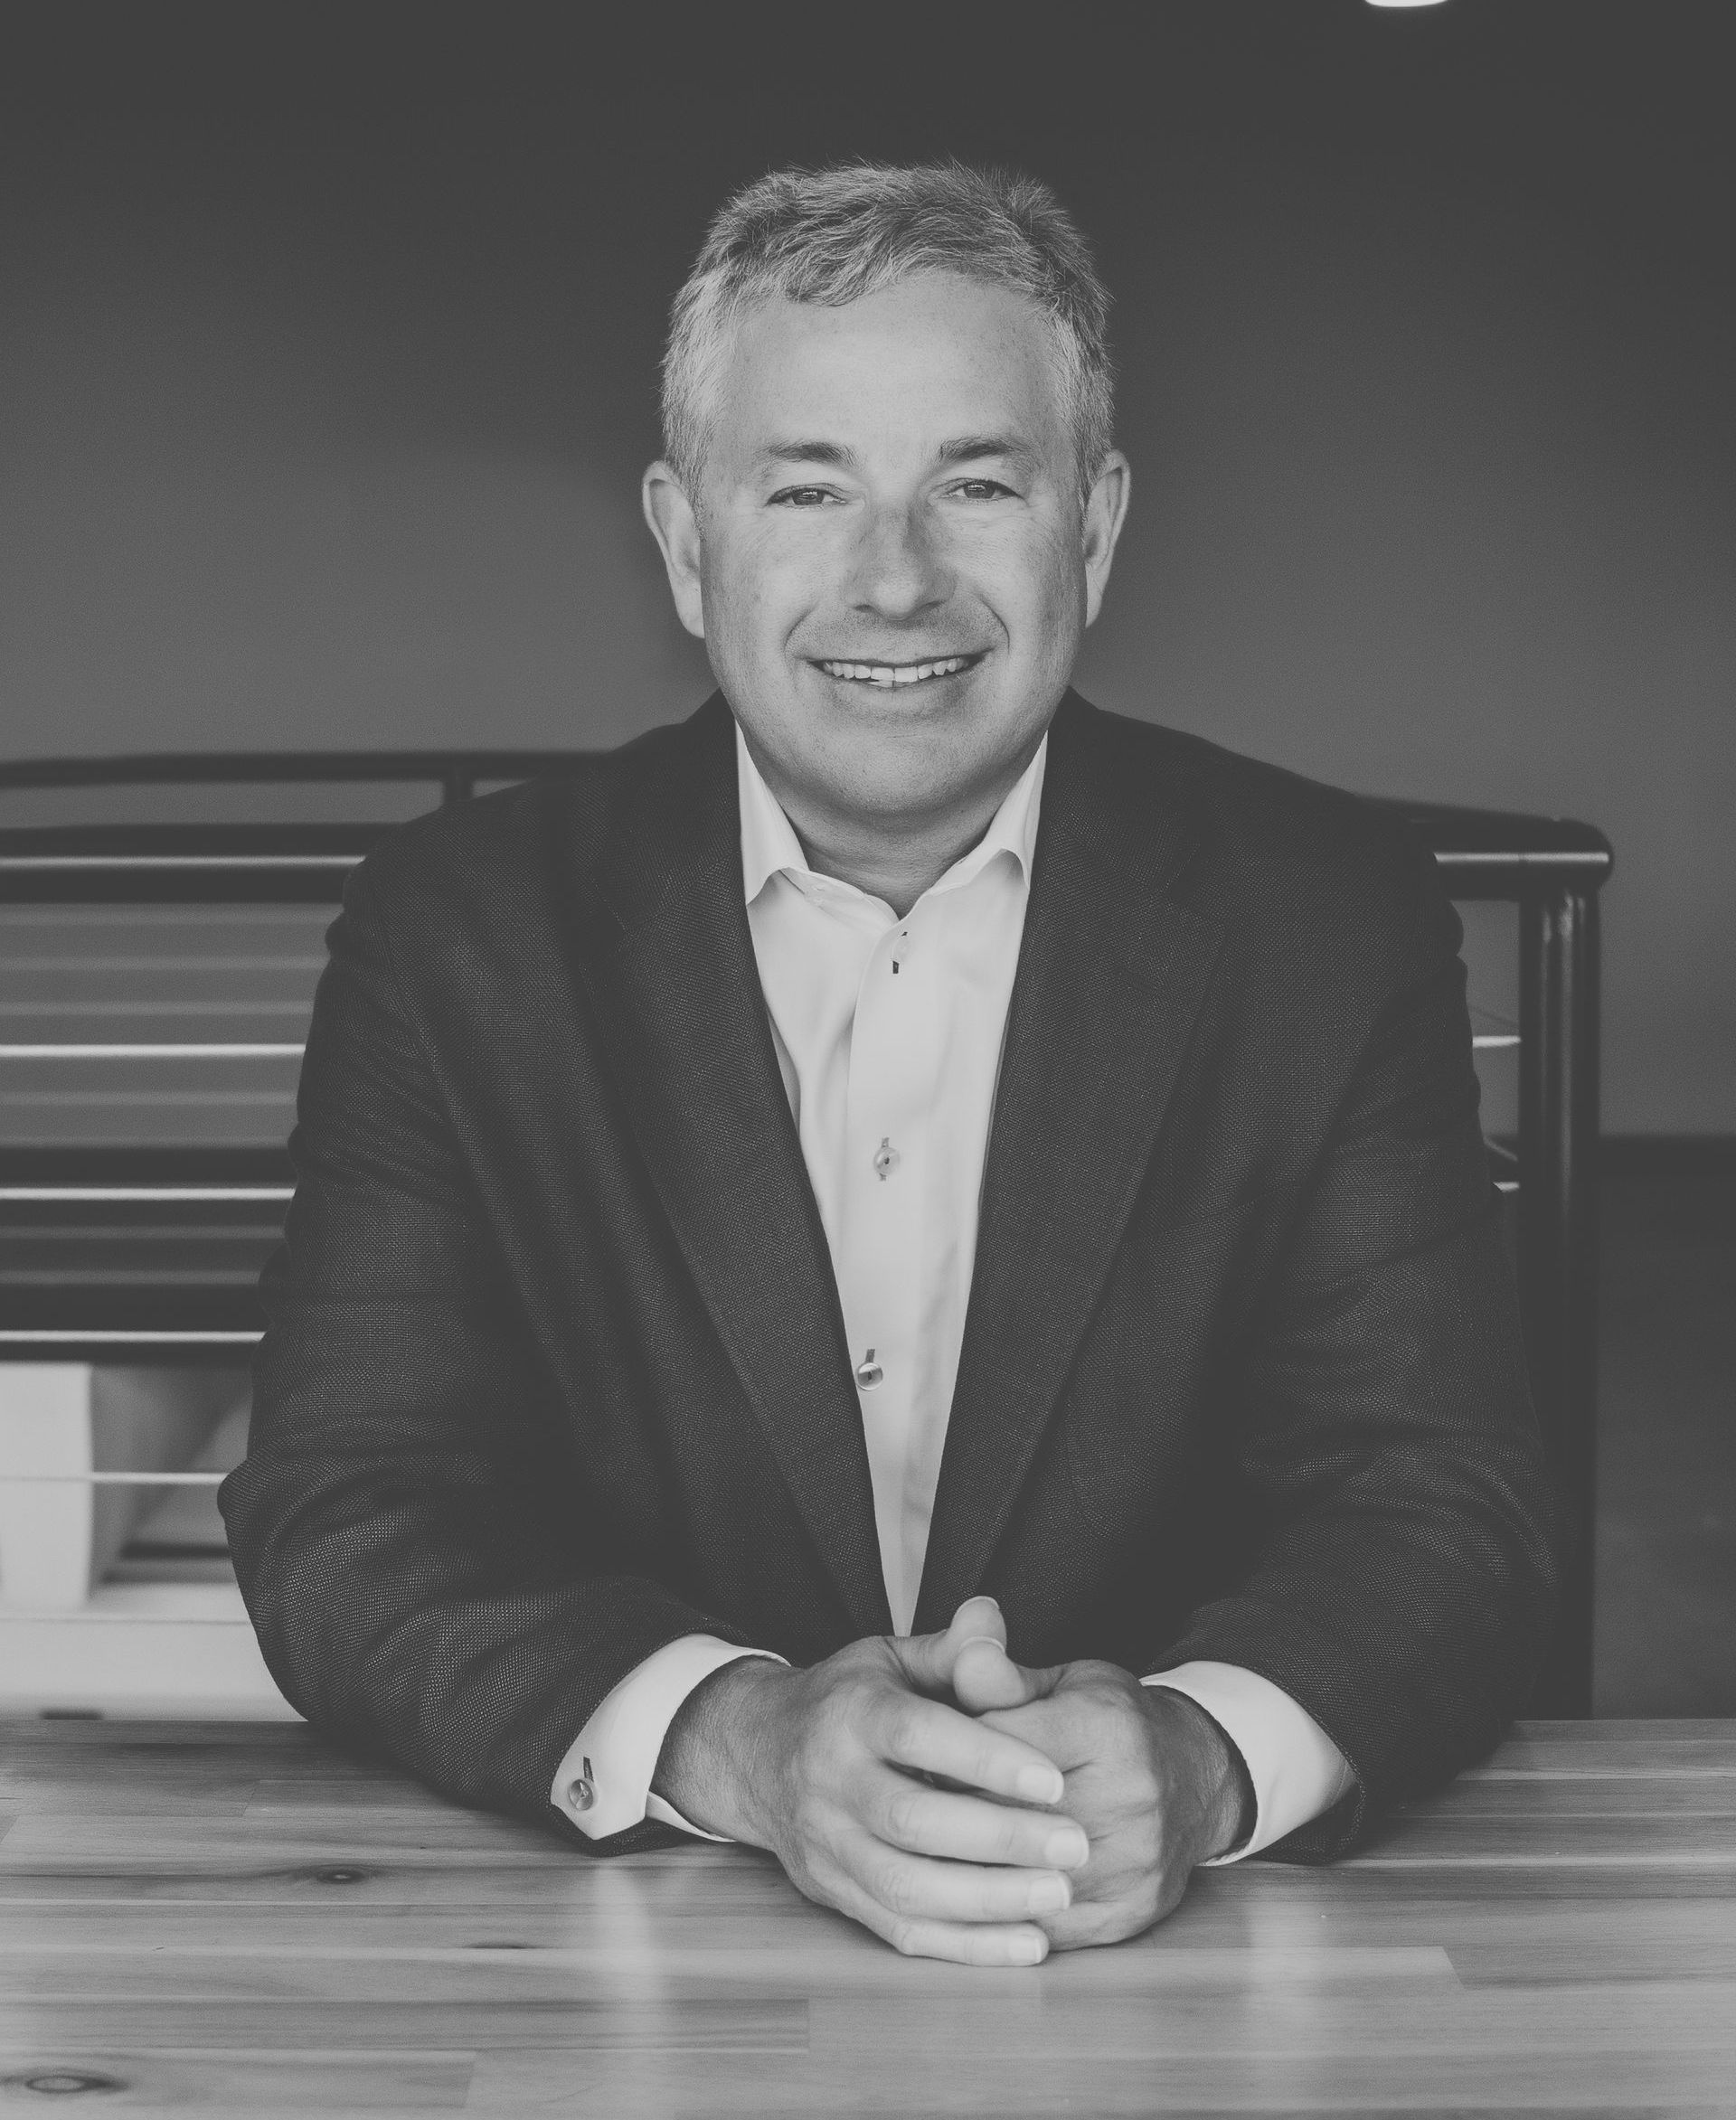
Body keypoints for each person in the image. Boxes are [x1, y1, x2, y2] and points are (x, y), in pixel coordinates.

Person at [222, 161, 1557, 1967]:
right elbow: (348, 1509)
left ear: (1091, 530)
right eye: (808, 488)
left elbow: (1441, 1497)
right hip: (627, 1982)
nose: (899, 578)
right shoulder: (459, 939)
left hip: (1173, 1981)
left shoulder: (1324, 923)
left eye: (980, 484)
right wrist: (735, 1740)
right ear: (690, 547)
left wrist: (1208, 1753)